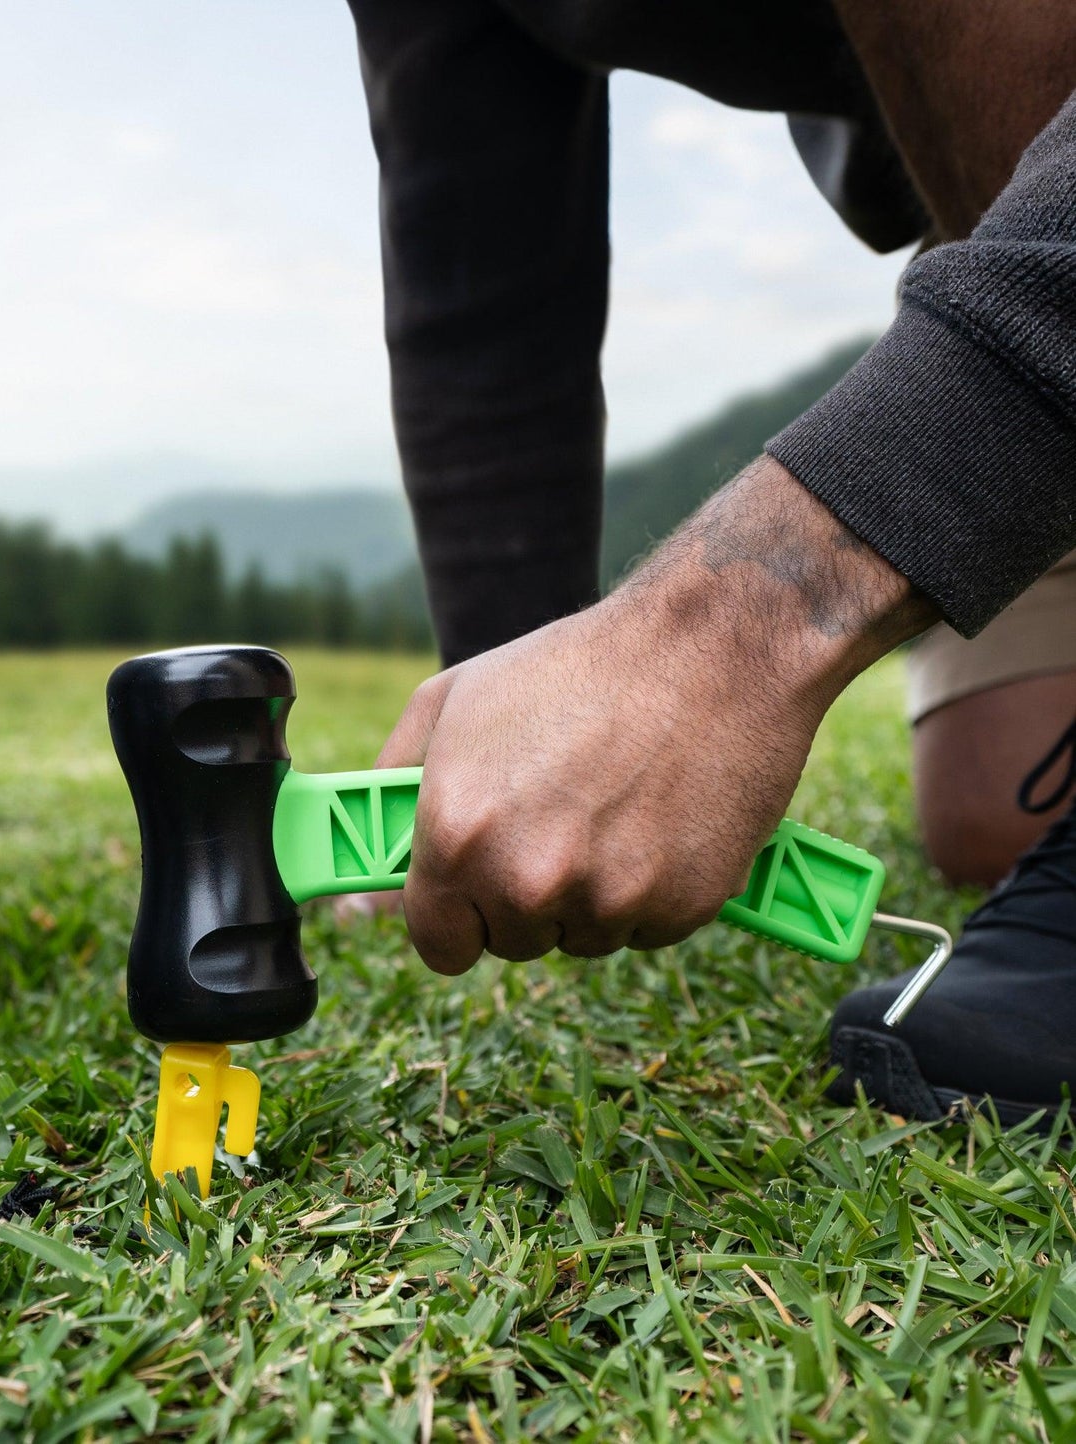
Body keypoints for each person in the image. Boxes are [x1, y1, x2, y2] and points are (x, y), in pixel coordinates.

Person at [346, 0, 1076, 1123]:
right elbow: (473, 273)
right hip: (1019, 240)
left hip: (1038, 234)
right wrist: (508, 748)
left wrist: (731, 629)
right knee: (992, 807)